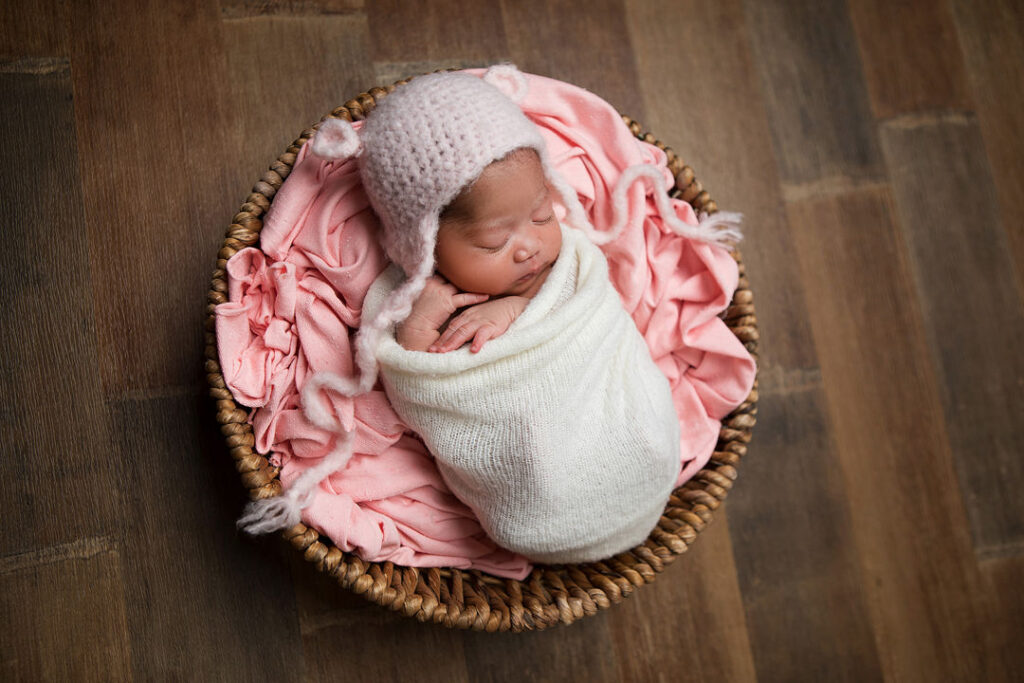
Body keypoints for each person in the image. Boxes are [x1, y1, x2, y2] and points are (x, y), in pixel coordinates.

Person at [238, 65, 741, 563]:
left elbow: (588, 305)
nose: (529, 247)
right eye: (494, 242)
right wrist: (418, 328)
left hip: (635, 444)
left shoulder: (559, 265)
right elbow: (416, 384)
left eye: (541, 214)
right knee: (539, 473)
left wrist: (517, 308)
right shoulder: (417, 301)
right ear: (426, 248)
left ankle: (630, 472)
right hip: (539, 499)